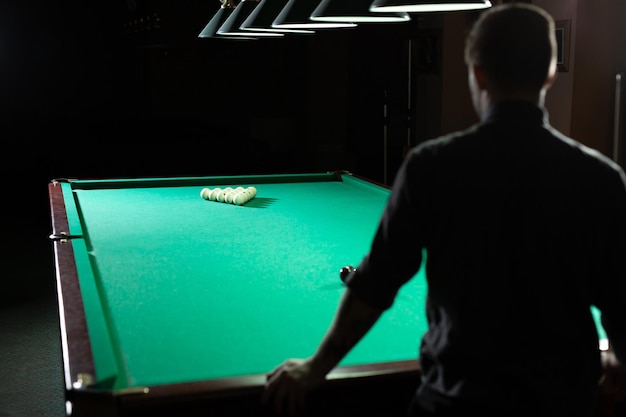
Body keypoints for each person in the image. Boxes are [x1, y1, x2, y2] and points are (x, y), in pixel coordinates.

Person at [262, 3, 626, 417]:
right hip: (565, 405)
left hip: (455, 403)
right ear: (547, 73)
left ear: (477, 72)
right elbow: (620, 298)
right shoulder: (603, 177)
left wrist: (314, 368)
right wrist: (619, 358)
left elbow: (375, 285)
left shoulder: (431, 165)